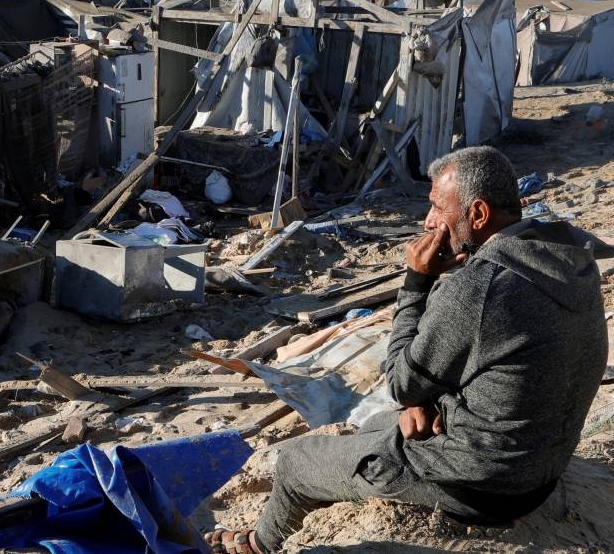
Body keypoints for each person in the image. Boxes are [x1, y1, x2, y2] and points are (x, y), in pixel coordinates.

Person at [206, 146, 609, 554]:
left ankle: (257, 544)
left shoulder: (479, 287)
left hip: (481, 489)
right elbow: (493, 360)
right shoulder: (569, 260)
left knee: (296, 462)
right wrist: (425, 399)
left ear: (479, 215)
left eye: (437, 208)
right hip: (540, 472)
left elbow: (400, 382)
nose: (428, 221)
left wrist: (417, 281)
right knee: (382, 425)